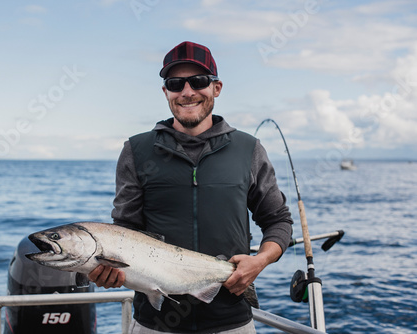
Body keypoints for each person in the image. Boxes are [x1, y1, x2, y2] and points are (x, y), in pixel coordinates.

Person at [89, 41, 293, 333]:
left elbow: (278, 221)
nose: (187, 92)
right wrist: (110, 270)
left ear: (216, 88)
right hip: (154, 323)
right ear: (165, 91)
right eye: (175, 83)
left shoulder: (249, 149)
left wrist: (259, 260)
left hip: (231, 321)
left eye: (198, 81)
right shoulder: (136, 150)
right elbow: (125, 231)